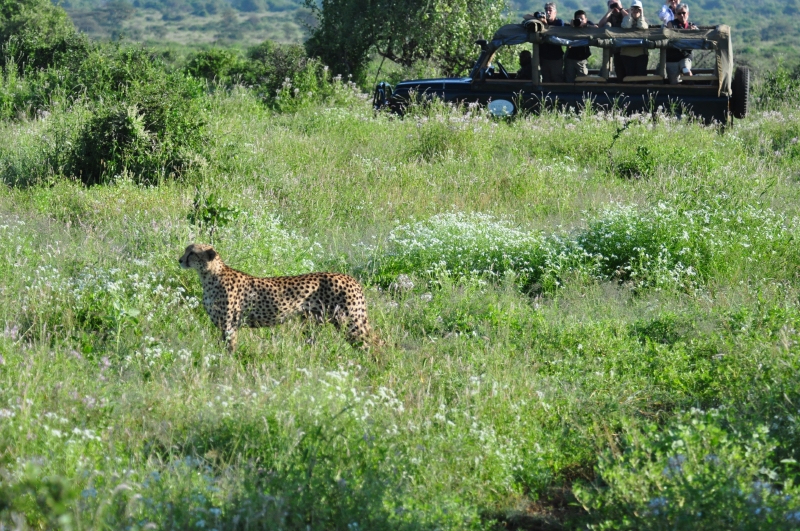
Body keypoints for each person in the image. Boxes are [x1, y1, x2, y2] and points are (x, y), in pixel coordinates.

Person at [666, 3, 697, 83]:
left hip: (685, 56)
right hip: (672, 58)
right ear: (676, 15)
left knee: (686, 70)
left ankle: (693, 86)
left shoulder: (692, 25)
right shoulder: (671, 24)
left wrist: (694, 32)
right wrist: (687, 32)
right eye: (679, 13)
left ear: (688, 14)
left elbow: (699, 36)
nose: (682, 15)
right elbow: (672, 36)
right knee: (674, 82)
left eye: (684, 13)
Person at [598, 0, 629, 80]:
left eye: (616, 4)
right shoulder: (610, 16)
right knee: (620, 73)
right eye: (612, 5)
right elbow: (600, 25)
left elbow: (630, 20)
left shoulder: (626, 12)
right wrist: (609, 11)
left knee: (629, 73)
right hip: (616, 50)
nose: (615, 7)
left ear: (621, 4)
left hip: (628, 49)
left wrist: (620, 9)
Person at [564, 10, 597, 82]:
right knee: (569, 80)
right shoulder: (572, 25)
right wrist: (571, 26)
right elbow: (562, 28)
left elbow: (596, 28)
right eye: (578, 19)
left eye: (582, 19)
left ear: (586, 19)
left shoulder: (588, 25)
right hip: (570, 58)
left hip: (582, 59)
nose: (580, 21)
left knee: (583, 80)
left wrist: (586, 25)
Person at [619, 0, 649, 77]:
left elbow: (642, 26)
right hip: (627, 53)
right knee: (629, 75)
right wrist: (629, 14)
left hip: (641, 53)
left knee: (641, 75)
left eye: (638, 9)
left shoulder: (644, 20)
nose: (636, 11)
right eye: (634, 8)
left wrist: (641, 14)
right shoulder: (626, 19)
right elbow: (626, 26)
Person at [539, 3, 566, 82]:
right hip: (544, 57)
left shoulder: (559, 22)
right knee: (545, 80)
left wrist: (545, 24)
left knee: (556, 79)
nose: (548, 12)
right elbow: (526, 17)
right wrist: (537, 17)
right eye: (546, 10)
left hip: (555, 58)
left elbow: (555, 33)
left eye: (550, 10)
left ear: (555, 12)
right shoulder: (541, 21)